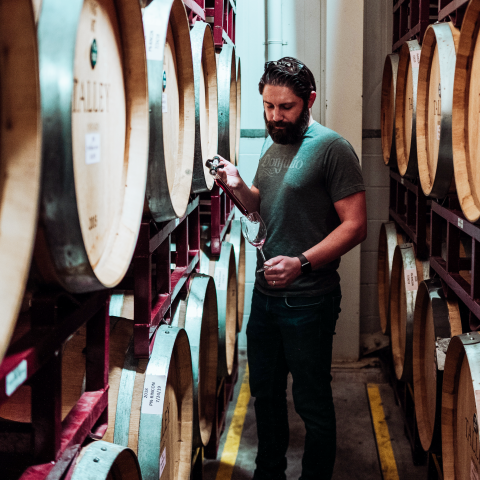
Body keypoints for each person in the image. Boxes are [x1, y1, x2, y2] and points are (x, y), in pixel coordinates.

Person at [215, 57, 367, 480]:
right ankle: (270, 472)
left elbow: (356, 227)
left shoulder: (333, 149)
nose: (275, 117)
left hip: (309, 302)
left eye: (286, 108)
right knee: (264, 394)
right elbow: (262, 205)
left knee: (311, 401)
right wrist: (238, 185)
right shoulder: (273, 143)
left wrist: (301, 263)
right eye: (268, 106)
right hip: (266, 299)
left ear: (310, 100)